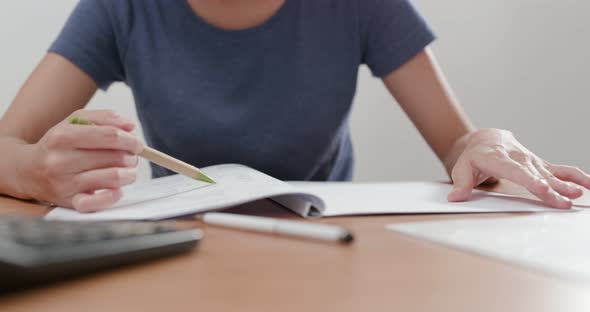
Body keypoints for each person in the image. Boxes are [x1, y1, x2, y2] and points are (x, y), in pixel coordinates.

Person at [0, 0, 588, 212]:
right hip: (175, 254)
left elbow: (459, 144)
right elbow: (7, 145)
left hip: (328, 257)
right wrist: (36, 172)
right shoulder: (120, 7)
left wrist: (487, 143)